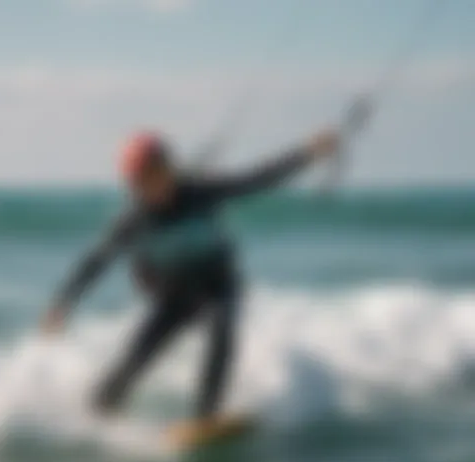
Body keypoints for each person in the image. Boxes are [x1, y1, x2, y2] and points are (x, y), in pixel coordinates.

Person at [41, 127, 339, 423]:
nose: (154, 186)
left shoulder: (199, 192)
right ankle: (97, 416)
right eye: (143, 181)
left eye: (159, 173)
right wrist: (63, 303)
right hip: (173, 296)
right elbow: (95, 262)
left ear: (170, 169)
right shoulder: (134, 221)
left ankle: (205, 417)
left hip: (217, 284)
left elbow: (256, 180)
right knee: (132, 361)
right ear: (133, 185)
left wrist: (307, 154)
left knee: (221, 327)